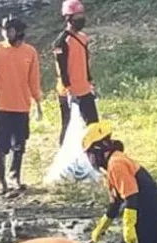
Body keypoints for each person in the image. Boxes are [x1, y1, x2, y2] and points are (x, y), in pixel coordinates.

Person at [0, 16, 43, 195]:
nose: (6, 33)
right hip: (2, 106)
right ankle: (1, 181)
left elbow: (34, 80)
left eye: (10, 30)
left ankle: (15, 177)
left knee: (19, 145)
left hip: (22, 106)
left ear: (19, 32)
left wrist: (38, 102)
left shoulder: (30, 52)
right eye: (4, 30)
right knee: (0, 146)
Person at [54, 0, 98, 144]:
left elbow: (85, 62)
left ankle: (95, 155)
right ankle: (63, 154)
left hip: (84, 89)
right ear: (68, 18)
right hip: (69, 92)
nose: (81, 19)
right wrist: (68, 89)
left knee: (94, 126)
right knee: (68, 127)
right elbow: (61, 68)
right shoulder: (61, 42)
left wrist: (90, 81)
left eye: (82, 16)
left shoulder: (83, 38)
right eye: (77, 17)